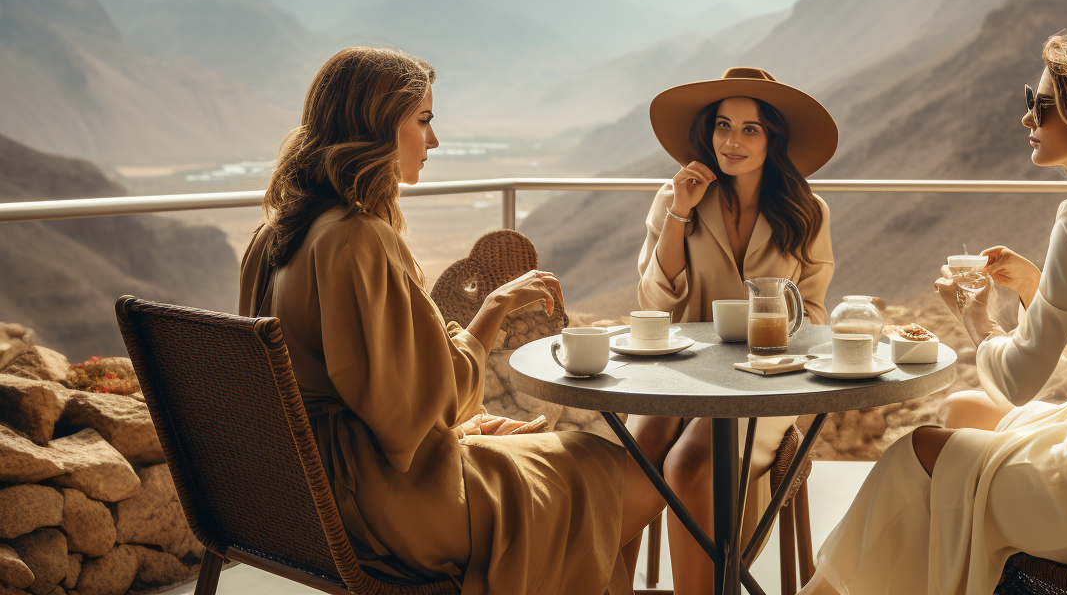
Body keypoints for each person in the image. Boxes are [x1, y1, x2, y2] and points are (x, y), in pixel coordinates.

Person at [802, 32, 1067, 595]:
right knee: (962, 408)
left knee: (913, 457)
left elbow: (1017, 384)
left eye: (1040, 105)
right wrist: (1038, 285)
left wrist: (977, 321)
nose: (1025, 117)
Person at [238, 46, 665, 595]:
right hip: (384, 502)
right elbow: (416, 412)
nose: (433, 140)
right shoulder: (356, 238)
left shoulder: (276, 236)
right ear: (377, 128)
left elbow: (381, 397)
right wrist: (492, 317)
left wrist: (457, 424)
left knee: (567, 467)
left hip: (312, 488)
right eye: (423, 120)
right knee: (605, 469)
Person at [627, 67, 837, 595]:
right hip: (682, 374)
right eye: (723, 125)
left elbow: (813, 313)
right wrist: (679, 213)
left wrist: (769, 330)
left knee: (693, 462)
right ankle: (609, 585)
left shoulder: (807, 213)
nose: (731, 140)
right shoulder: (675, 198)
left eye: (750, 129)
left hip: (767, 379)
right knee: (640, 446)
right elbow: (655, 304)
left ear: (773, 139)